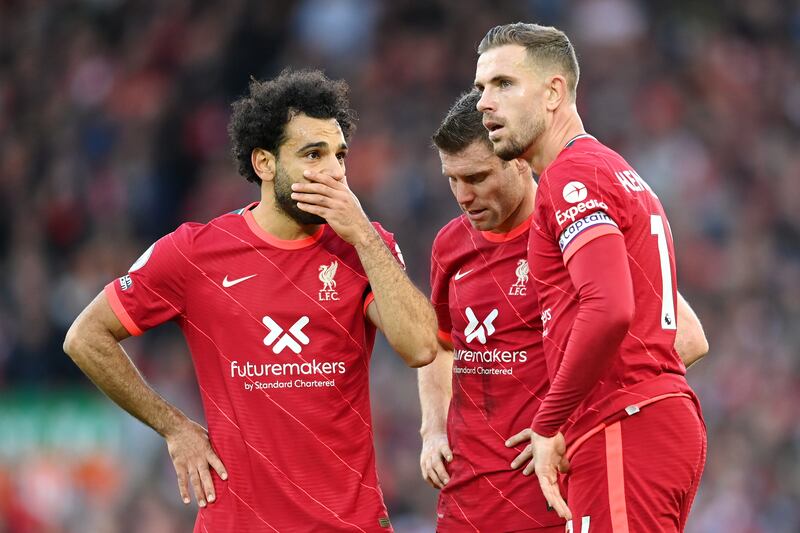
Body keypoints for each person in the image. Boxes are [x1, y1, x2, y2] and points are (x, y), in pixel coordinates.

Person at [63, 68, 438, 532]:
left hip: (348, 522)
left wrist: (361, 232)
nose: (334, 172)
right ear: (264, 163)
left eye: (339, 155)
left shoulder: (364, 247)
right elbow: (85, 337)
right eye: (312, 154)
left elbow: (422, 346)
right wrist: (173, 426)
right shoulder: (195, 252)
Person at [419, 90, 709, 531]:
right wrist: (433, 428)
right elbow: (441, 344)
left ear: (517, 157)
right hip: (468, 499)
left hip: (549, 494)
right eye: (452, 179)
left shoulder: (577, 229)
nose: (463, 195)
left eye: (477, 177)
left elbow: (685, 339)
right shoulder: (449, 245)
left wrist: (567, 413)